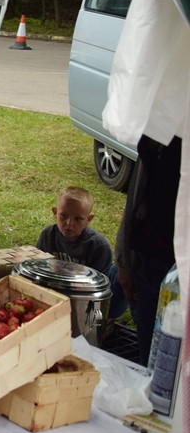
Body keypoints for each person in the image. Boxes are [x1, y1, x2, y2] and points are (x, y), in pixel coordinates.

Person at [115, 134, 182, 365]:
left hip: (180, 269)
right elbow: (135, 197)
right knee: (150, 362)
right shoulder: (158, 136)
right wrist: (123, 261)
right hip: (149, 261)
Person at [36, 186, 127, 318]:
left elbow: (98, 289)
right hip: (56, 290)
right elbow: (37, 268)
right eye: (63, 216)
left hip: (88, 296)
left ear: (88, 219)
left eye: (78, 219)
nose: (69, 223)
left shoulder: (97, 245)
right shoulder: (48, 235)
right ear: (55, 212)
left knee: (115, 282)